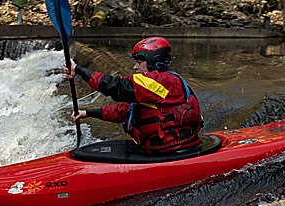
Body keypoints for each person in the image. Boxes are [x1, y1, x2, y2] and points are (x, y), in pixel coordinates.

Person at [63, 36, 203, 154]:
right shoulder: (154, 87)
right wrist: (87, 113)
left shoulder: (165, 82)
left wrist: (78, 70)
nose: (135, 67)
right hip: (161, 149)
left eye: (139, 62)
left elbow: (115, 86)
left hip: (173, 150)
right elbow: (124, 111)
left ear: (154, 62)